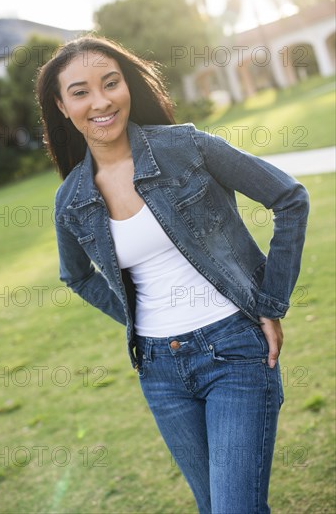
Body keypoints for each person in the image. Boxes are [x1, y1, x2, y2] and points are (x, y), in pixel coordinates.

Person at [36, 35, 309, 514]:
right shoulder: (71, 200)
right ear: (61, 106)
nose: (101, 101)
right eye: (80, 92)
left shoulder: (187, 147)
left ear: (128, 86)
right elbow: (76, 276)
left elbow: (288, 198)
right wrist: (137, 320)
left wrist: (270, 302)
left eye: (111, 83)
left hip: (235, 349)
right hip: (160, 369)